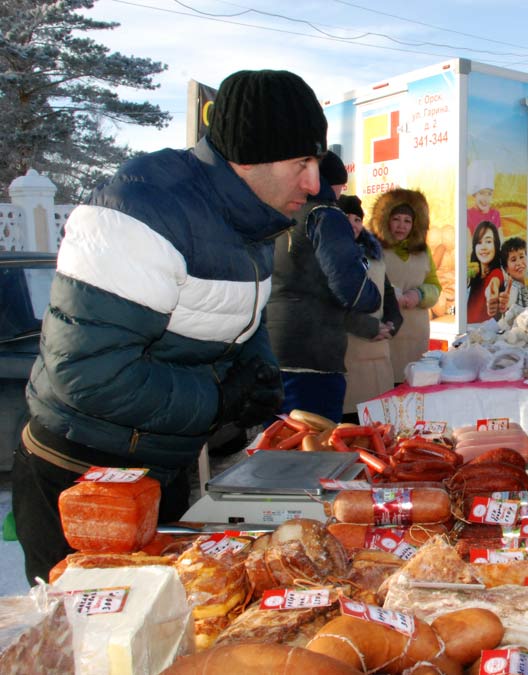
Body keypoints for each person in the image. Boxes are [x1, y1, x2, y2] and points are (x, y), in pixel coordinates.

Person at [14, 69, 329, 584]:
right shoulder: (142, 210)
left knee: (176, 624)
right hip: (83, 478)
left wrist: (258, 370)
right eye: (303, 162)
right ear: (252, 155)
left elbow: (240, 317)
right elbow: (90, 374)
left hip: (162, 464)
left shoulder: (252, 219)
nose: (313, 184)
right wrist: (218, 400)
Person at [266, 152, 381, 423]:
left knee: (278, 443)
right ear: (335, 183)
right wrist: (373, 298)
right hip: (313, 352)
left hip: (272, 348)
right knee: (316, 446)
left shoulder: (280, 213)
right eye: (343, 186)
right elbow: (350, 287)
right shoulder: (325, 214)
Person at [338, 195, 403, 422]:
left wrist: (393, 323)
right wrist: (369, 327)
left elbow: (389, 295)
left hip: (378, 352)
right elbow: (331, 305)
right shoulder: (328, 256)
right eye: (345, 218)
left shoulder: (373, 254)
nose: (353, 224)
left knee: (380, 422)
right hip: (347, 353)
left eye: (357, 219)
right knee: (350, 424)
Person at [368, 188, 440, 384]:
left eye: (407, 221)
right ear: (385, 220)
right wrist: (391, 294)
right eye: (396, 219)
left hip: (416, 335)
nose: (401, 226)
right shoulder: (373, 249)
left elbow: (434, 285)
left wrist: (419, 294)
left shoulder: (423, 251)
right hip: (386, 331)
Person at [466, 220, 506, 324]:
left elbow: (494, 284)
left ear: (495, 246)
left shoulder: (496, 273)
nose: (483, 247)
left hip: (484, 335)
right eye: (479, 242)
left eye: (488, 241)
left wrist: (492, 295)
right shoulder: (474, 277)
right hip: (467, 333)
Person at [498, 236, 528, 316]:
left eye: (521, 257)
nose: (519, 263)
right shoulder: (512, 288)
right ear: (506, 268)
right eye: (513, 260)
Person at [466, 160, 501, 235]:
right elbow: (468, 243)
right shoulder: (468, 214)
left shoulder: (495, 214)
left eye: (489, 194)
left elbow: (501, 242)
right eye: (481, 193)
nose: (485, 199)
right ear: (474, 194)